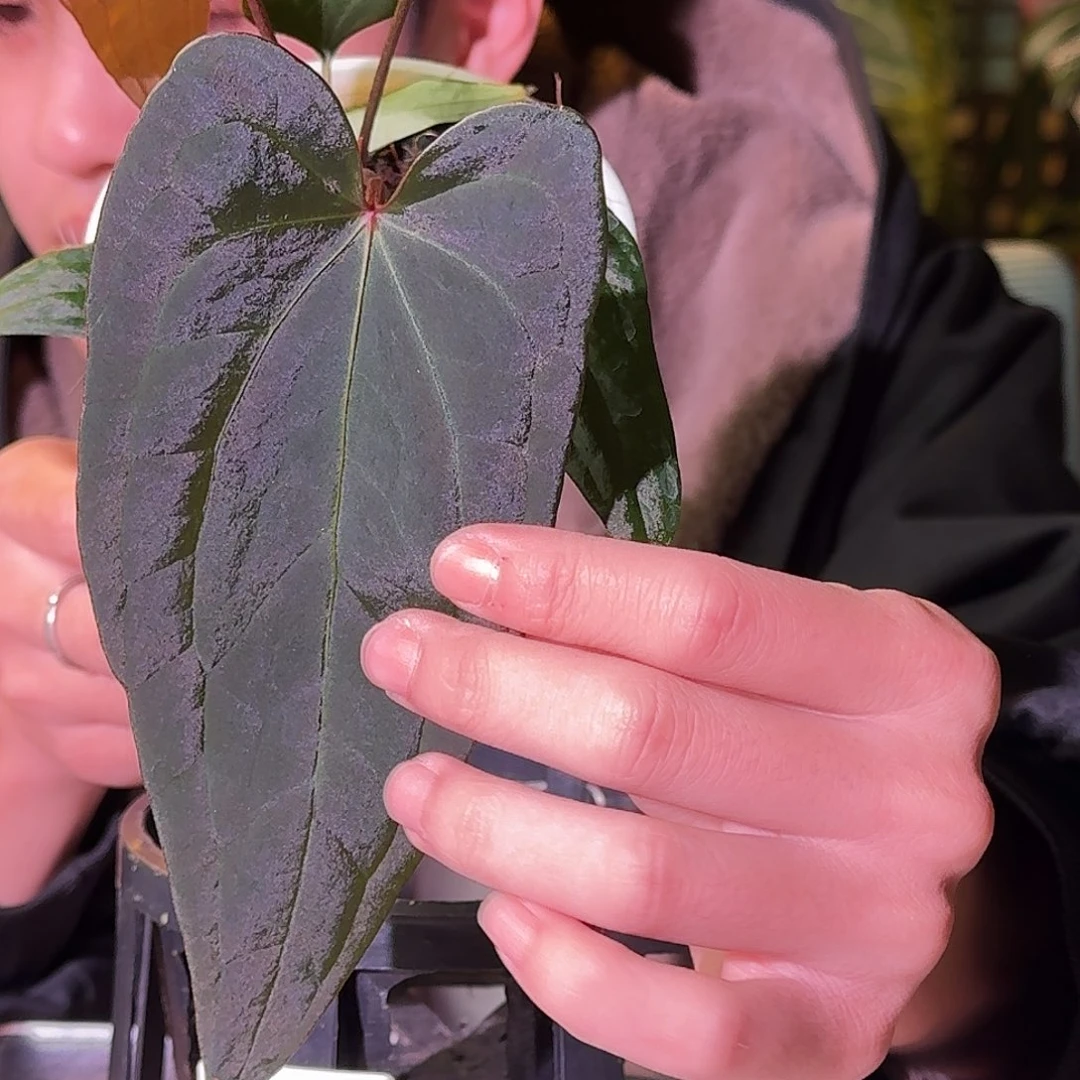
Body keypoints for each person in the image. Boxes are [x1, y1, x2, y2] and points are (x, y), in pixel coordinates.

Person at [2, 0, 1080, 1077]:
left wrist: (987, 923)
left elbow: (1035, 752)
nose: (69, 126)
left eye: (217, 9)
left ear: (482, 18)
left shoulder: (888, 344)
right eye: (4, 16)